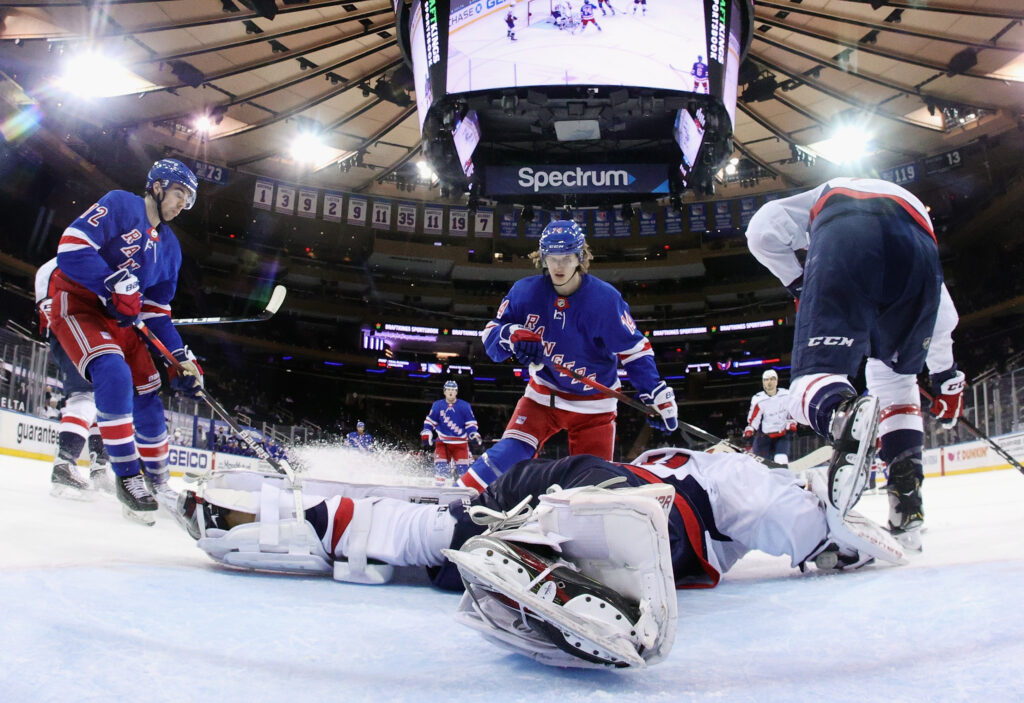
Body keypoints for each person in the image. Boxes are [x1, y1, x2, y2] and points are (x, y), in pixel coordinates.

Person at [176, 445, 904, 668]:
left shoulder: (710, 477)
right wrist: (842, 538)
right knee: (628, 528)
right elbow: (791, 516)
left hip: (554, 478)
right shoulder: (735, 475)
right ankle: (538, 552)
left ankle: (285, 520)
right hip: (604, 494)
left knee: (436, 537)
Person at [745, 177, 963, 549]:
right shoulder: (904, 210)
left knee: (808, 385)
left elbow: (761, 230)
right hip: (919, 251)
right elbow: (943, 319)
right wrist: (946, 377)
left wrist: (798, 282)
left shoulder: (823, 194)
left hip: (843, 233)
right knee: (897, 380)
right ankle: (907, 511)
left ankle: (842, 419)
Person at [459, 219, 678, 492]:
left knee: (593, 488)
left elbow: (633, 350)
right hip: (543, 396)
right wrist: (511, 335)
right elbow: (491, 337)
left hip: (594, 407)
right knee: (509, 454)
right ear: (542, 258)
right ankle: (457, 497)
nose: (558, 266)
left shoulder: (605, 300)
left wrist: (654, 392)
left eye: (567, 257)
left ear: (580, 257)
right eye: (552, 257)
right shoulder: (525, 292)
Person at [48, 158, 205, 517]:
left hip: (121, 322)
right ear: (157, 186)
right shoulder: (121, 203)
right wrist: (112, 282)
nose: (183, 204)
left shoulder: (171, 249)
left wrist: (180, 357)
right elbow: (71, 247)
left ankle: (159, 482)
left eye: (189, 199)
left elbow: (155, 313)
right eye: (179, 193)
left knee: (149, 389)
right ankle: (126, 476)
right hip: (80, 305)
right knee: (113, 372)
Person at [36, 257, 114, 498]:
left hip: (91, 333)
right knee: (86, 393)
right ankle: (65, 464)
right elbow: (50, 307)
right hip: (70, 331)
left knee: (107, 399)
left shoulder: (98, 262)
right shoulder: (59, 264)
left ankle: (98, 468)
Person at [422, 380, 482, 485]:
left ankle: (466, 493)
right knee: (441, 469)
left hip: (460, 445)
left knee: (464, 471)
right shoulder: (437, 405)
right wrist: (427, 431)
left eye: (453, 390)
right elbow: (430, 421)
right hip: (442, 443)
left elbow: (470, 424)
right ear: (444, 391)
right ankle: (438, 491)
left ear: (456, 392)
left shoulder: (465, 406)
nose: (450, 392)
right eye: (448, 390)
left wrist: (473, 434)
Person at [744, 369, 797, 464]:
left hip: (782, 435)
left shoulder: (787, 395)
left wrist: (792, 422)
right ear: (763, 382)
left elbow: (792, 410)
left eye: (772, 379)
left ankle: (783, 477)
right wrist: (750, 429)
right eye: (766, 380)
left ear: (776, 381)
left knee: (781, 460)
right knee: (762, 465)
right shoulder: (758, 399)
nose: (769, 382)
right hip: (764, 437)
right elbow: (754, 417)